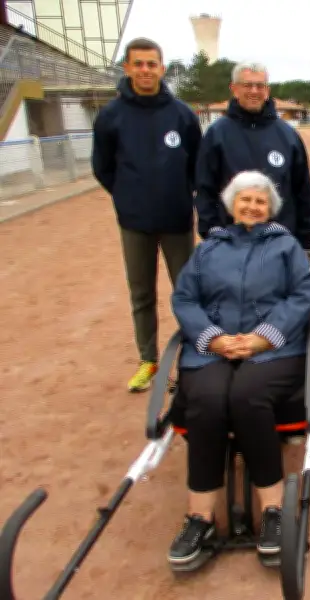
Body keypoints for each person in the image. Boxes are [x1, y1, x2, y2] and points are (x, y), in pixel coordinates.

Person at [167, 170, 310, 566]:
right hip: (213, 349)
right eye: (245, 199)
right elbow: (184, 298)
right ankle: (199, 517)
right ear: (232, 204)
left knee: (248, 395)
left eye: (261, 201)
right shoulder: (208, 249)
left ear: (271, 209)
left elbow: (304, 295)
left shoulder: (286, 246)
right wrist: (214, 338)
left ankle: (273, 511)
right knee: (206, 398)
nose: (253, 206)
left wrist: (262, 337)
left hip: (273, 349)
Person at [91, 37, 202, 392]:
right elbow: (103, 167)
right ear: (126, 68)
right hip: (134, 223)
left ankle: (194, 360)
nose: (144, 70)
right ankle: (148, 360)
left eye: (151, 64)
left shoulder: (182, 115)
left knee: (187, 291)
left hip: (176, 221)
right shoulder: (111, 116)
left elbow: (197, 165)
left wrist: (181, 196)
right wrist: (127, 197)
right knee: (141, 294)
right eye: (138, 64)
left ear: (162, 68)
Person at [194, 61, 310, 251]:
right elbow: (205, 189)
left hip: (280, 242)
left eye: (259, 85)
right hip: (231, 243)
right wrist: (212, 233)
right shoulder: (217, 134)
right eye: (247, 85)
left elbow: (302, 192)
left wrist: (305, 240)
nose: (254, 91)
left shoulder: (288, 136)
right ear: (234, 89)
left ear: (267, 90)